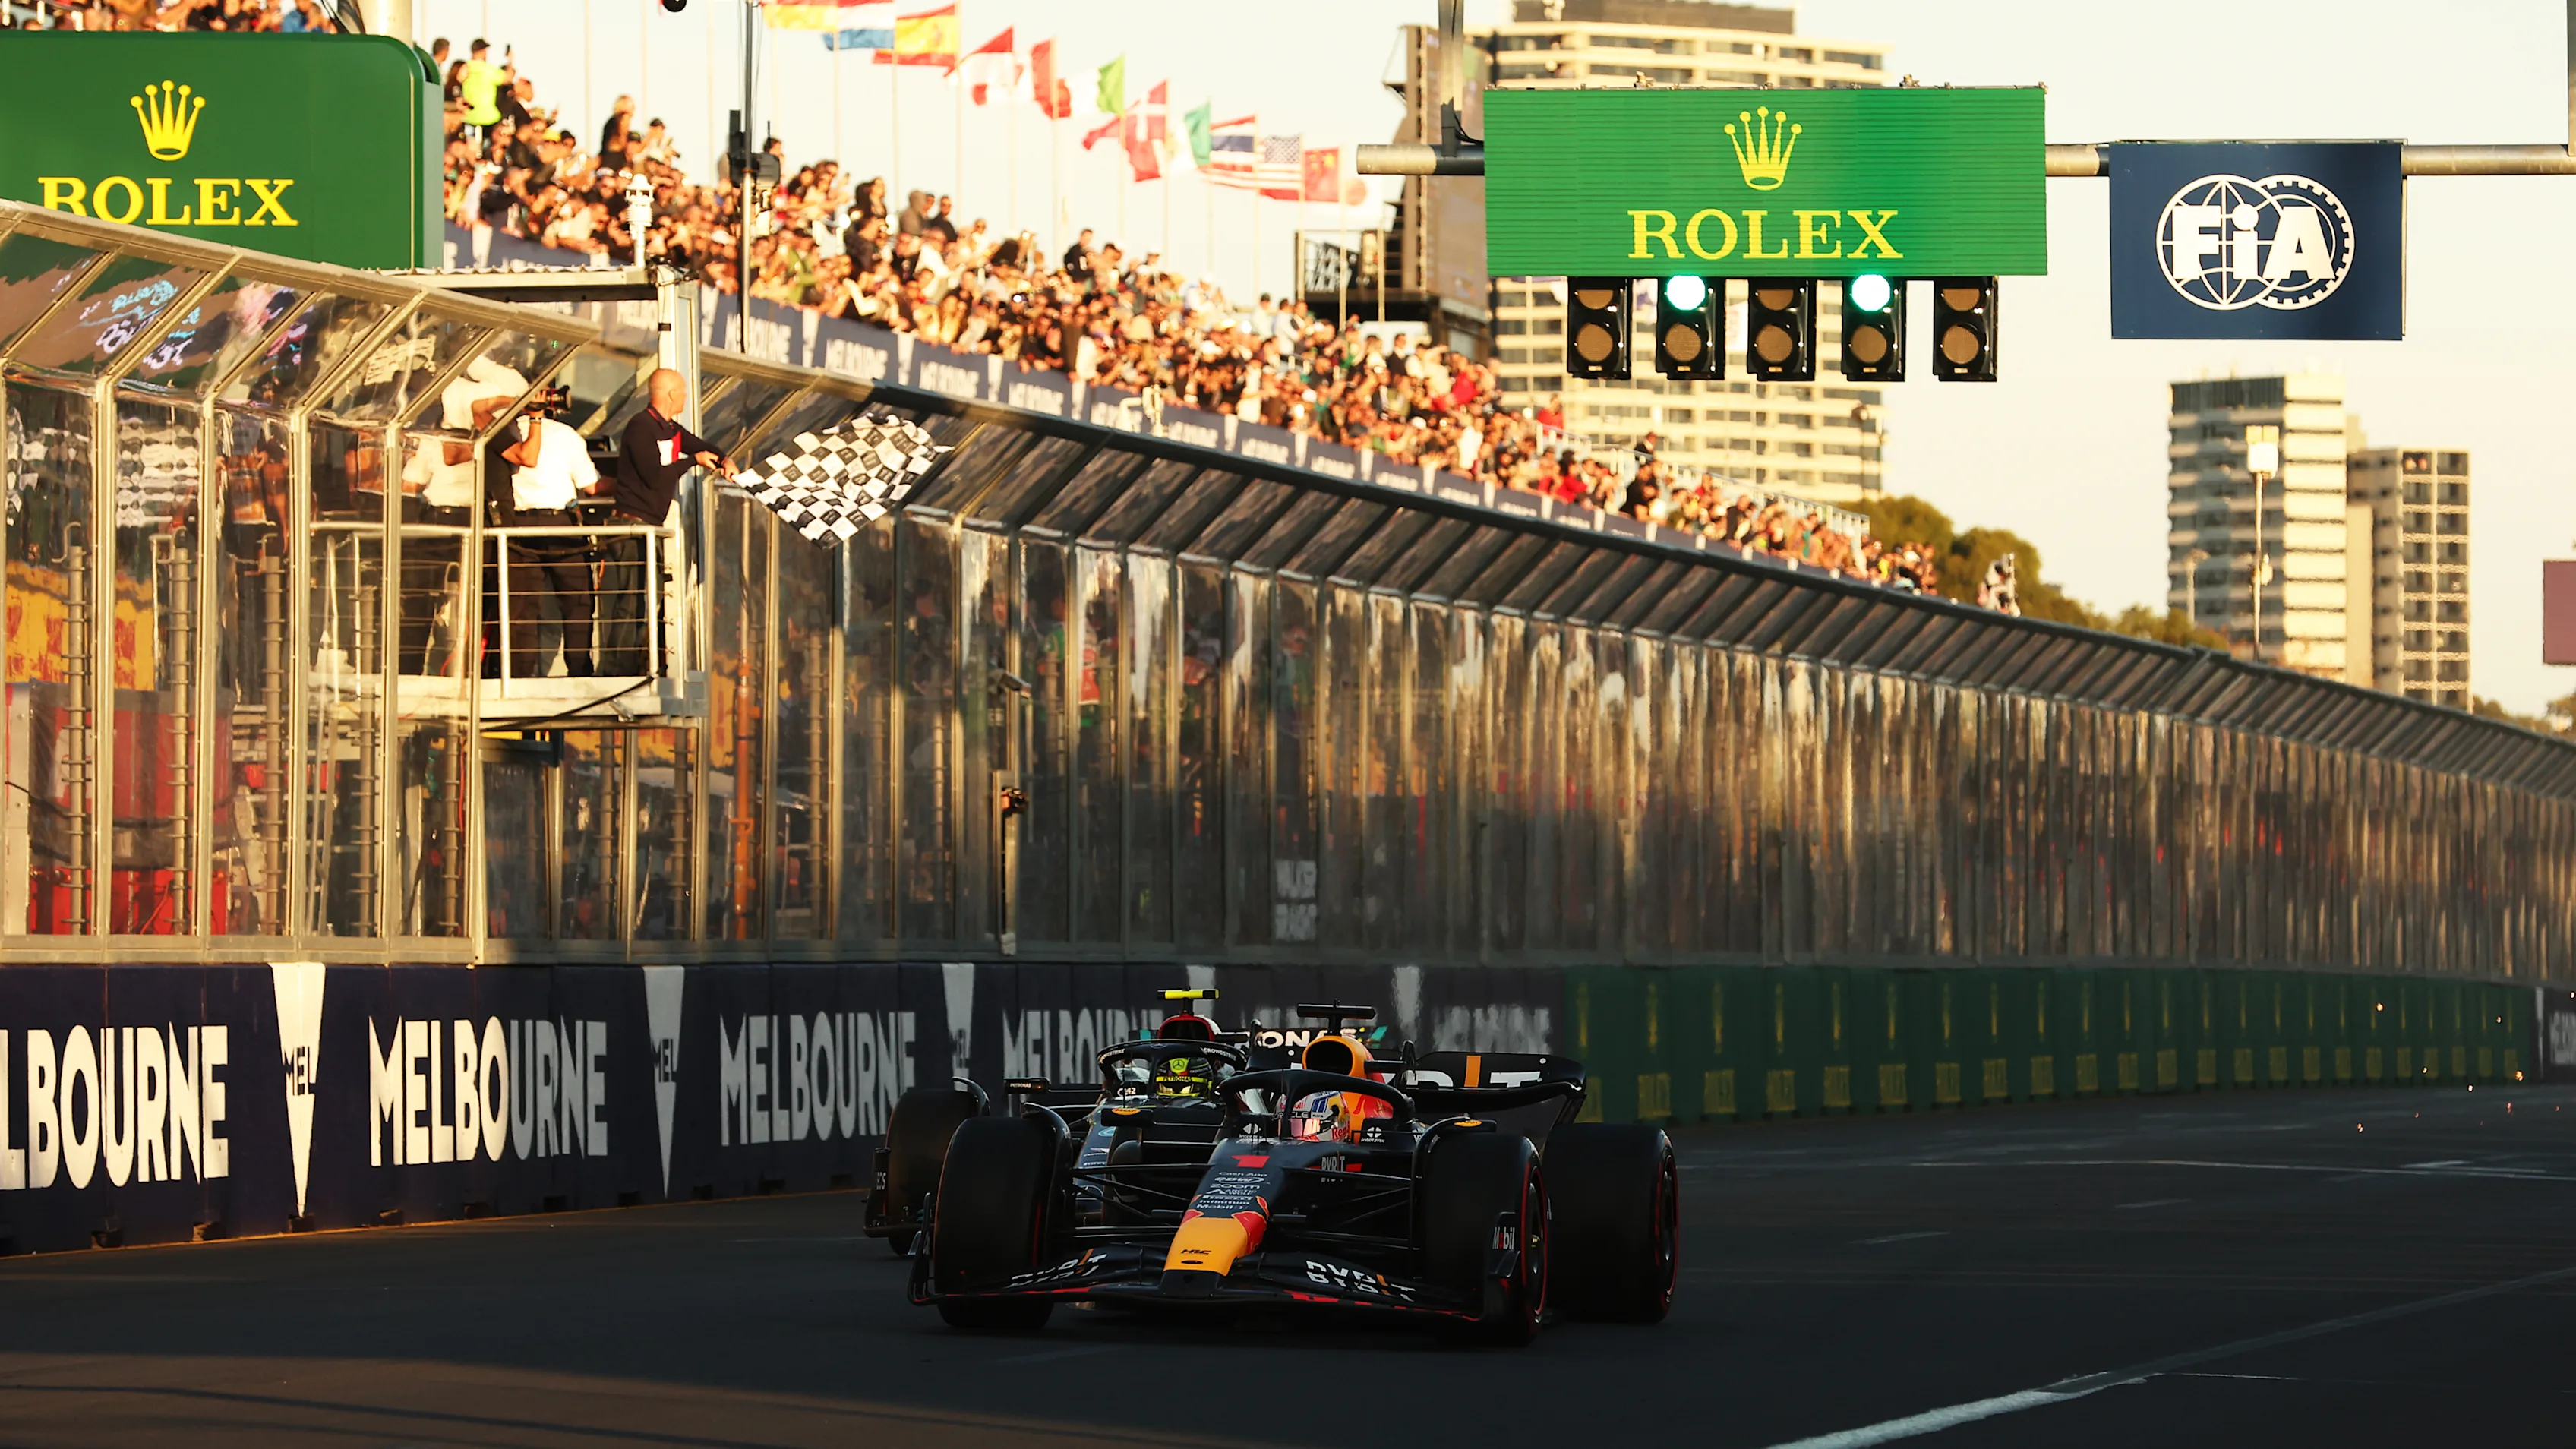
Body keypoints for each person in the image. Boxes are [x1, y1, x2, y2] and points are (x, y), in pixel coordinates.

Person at [601, 368, 735, 674]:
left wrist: (724, 459)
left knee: (646, 600)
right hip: (630, 528)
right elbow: (654, 477)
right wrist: (690, 461)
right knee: (629, 601)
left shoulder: (671, 429)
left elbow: (701, 446)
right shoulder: (640, 428)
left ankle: (632, 666)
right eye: (684, 392)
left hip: (650, 528)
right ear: (672, 394)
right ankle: (615, 671)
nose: (686, 398)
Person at [494, 402, 601, 680]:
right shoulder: (566, 435)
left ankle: (518, 675)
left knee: (521, 607)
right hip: (560, 526)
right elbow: (591, 485)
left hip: (520, 527)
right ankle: (579, 671)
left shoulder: (504, 434)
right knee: (577, 602)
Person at [456, 39, 504, 141]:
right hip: (489, 117)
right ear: (483, 51)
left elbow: (458, 80)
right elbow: (507, 78)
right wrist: (510, 61)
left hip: (469, 115)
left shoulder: (465, 67)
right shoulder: (489, 70)